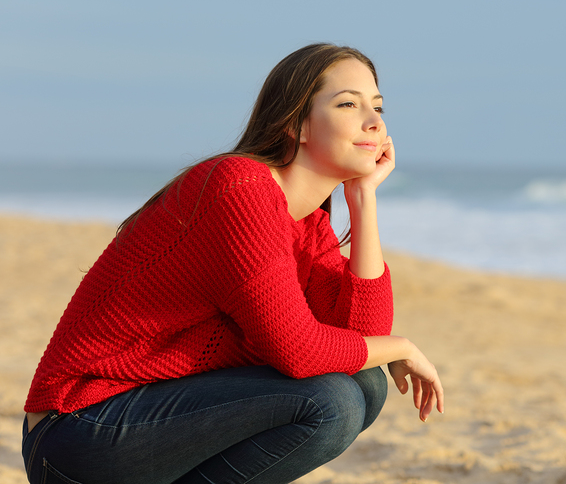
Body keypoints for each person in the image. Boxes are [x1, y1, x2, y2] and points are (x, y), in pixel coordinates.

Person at [21, 43, 444, 484]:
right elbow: (299, 352)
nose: (374, 122)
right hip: (79, 423)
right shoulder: (241, 188)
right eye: (348, 104)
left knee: (365, 384)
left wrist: (363, 199)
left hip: (145, 417)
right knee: (330, 401)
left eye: (377, 106)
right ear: (295, 124)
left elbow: (360, 336)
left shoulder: (309, 226)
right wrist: (404, 347)